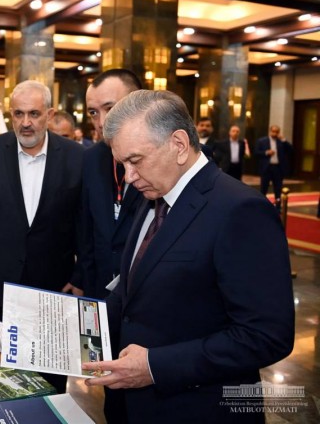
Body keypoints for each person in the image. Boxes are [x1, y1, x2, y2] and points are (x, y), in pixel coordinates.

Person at [83, 90, 295, 424]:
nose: (129, 177)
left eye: (135, 161)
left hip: (199, 409)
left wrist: (154, 367)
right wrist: (77, 326)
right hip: (132, 406)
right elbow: (132, 289)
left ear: (179, 145)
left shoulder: (240, 210)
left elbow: (266, 336)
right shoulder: (153, 196)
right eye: (122, 164)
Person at [0, 80, 84, 391]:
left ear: (50, 114)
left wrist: (81, 275)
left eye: (34, 113)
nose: (26, 122)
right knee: (2, 374)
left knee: (51, 376)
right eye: (18, 114)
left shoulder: (76, 156)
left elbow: (85, 222)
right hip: (0, 281)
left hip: (55, 285)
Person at [71, 69, 144, 300]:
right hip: (99, 290)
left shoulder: (167, 159)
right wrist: (81, 279)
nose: (102, 122)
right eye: (93, 112)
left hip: (145, 292)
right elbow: (86, 230)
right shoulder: (90, 158)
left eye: (110, 108)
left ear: (138, 103)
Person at [255, 125, 293, 208]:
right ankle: (262, 206)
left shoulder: (281, 142)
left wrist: (284, 140)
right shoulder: (262, 141)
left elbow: (290, 150)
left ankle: (277, 207)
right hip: (266, 168)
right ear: (270, 131)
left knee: (278, 189)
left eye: (276, 132)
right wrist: (266, 152)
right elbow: (256, 152)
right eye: (273, 131)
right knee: (264, 188)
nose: (275, 133)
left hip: (278, 168)